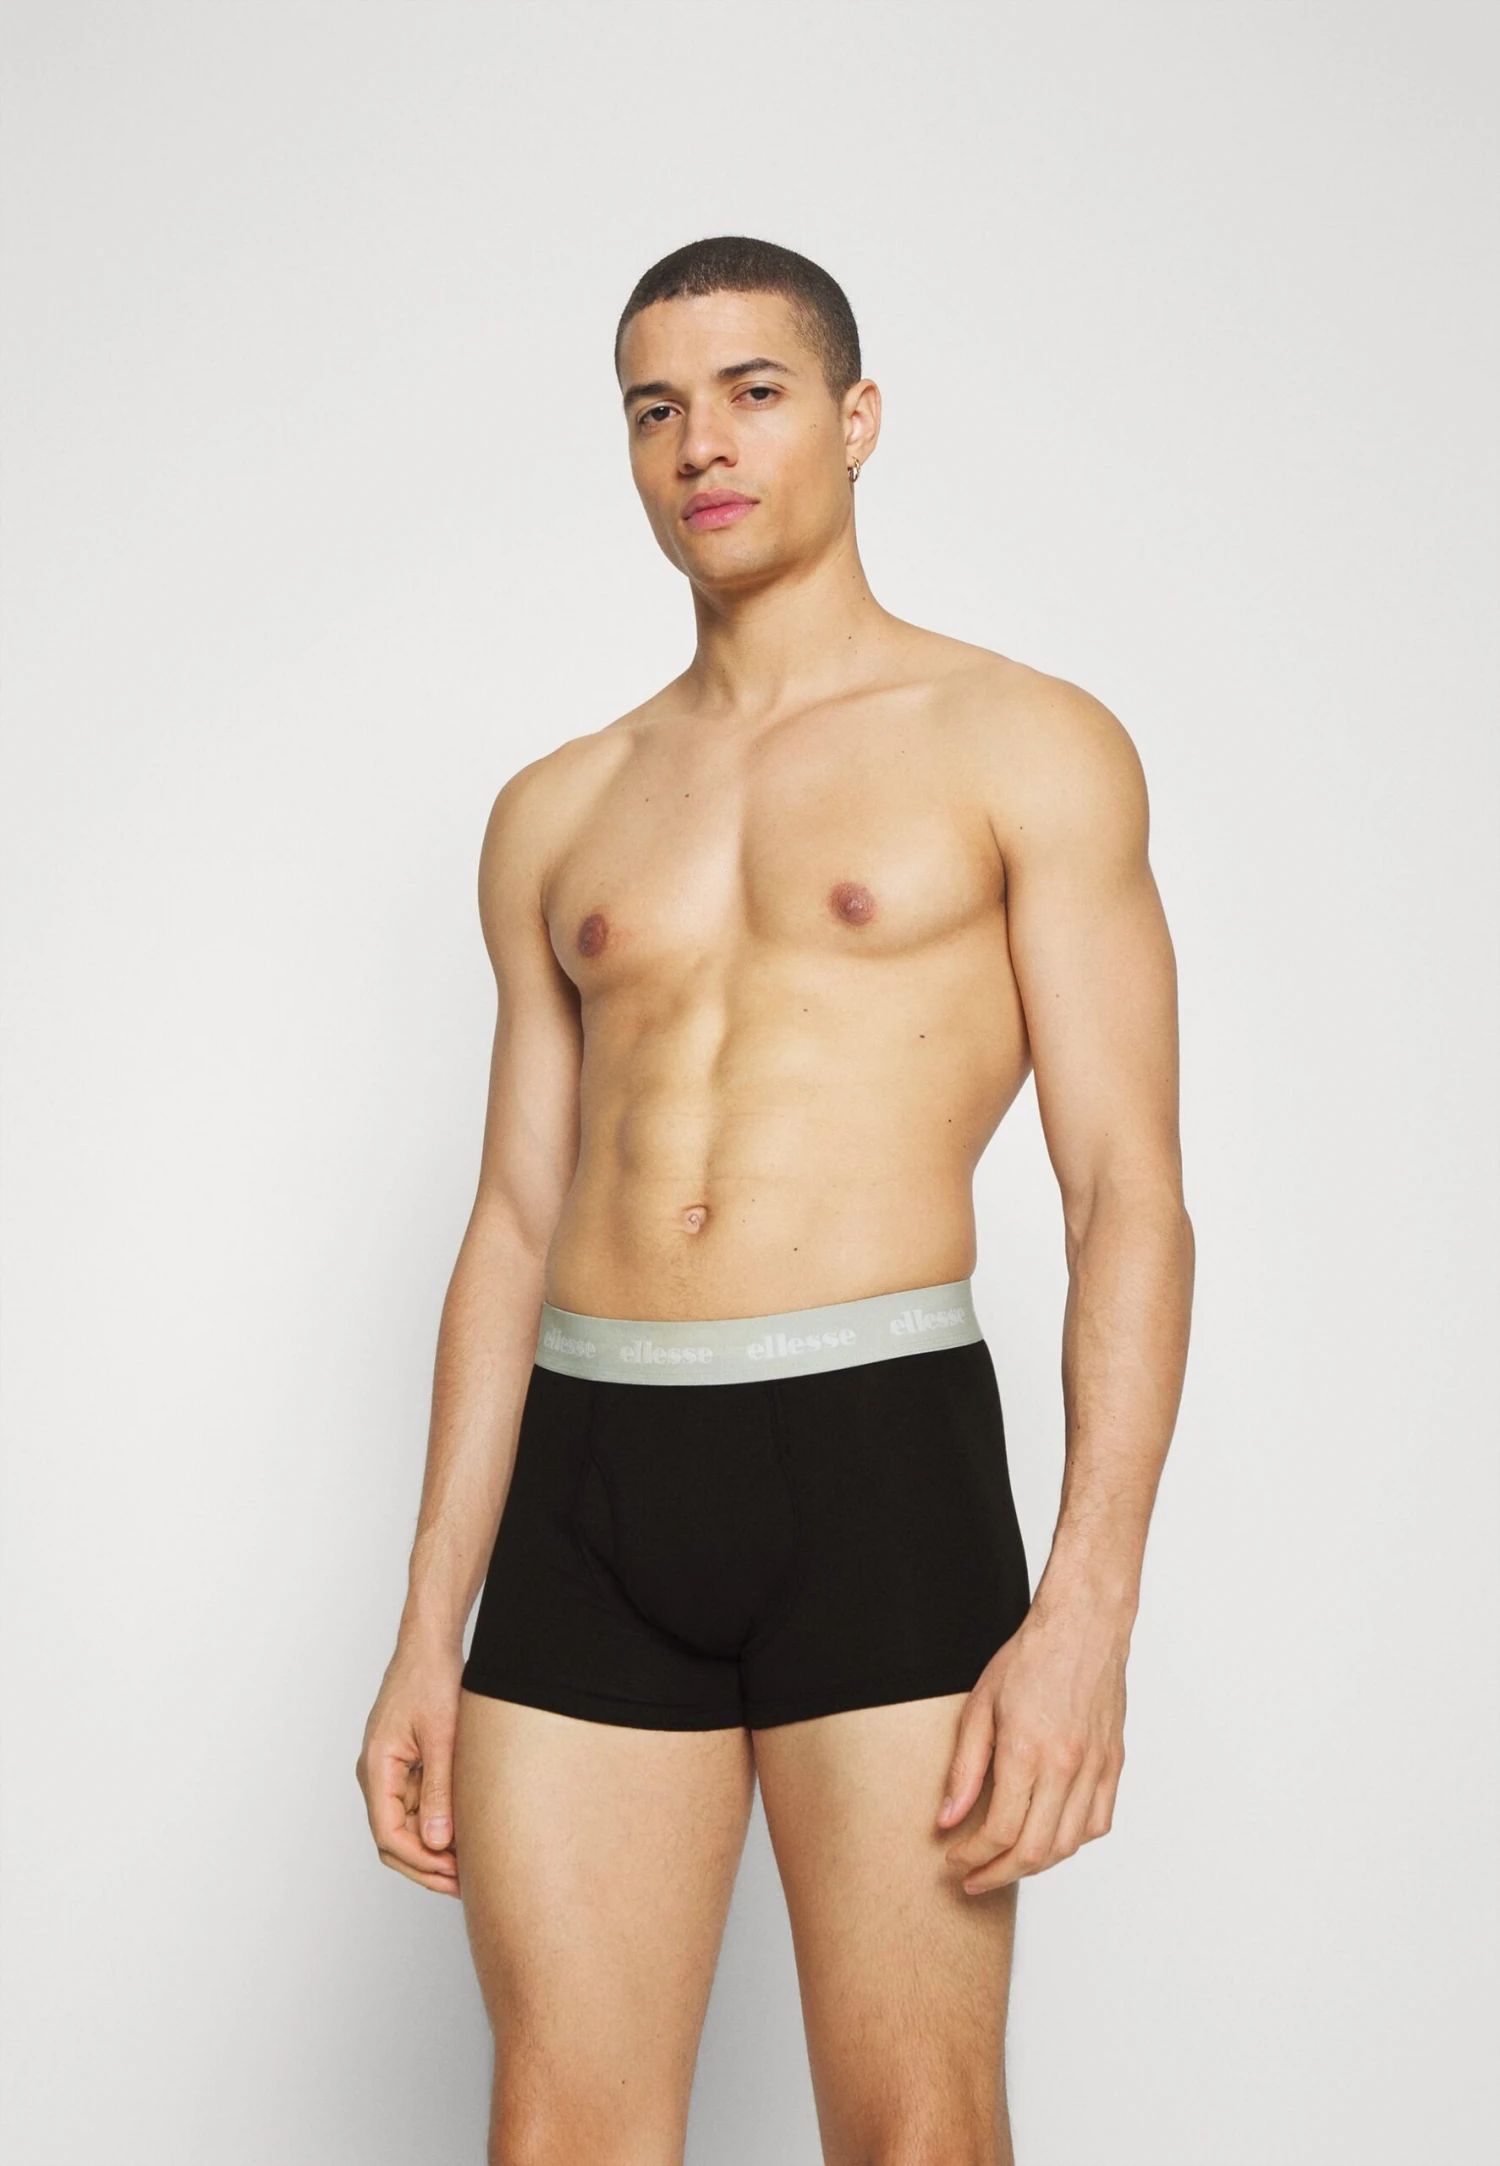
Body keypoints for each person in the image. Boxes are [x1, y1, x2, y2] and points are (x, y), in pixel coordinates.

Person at [356, 234, 1194, 2165]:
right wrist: (426, 1620)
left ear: (856, 416)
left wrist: (1088, 1608)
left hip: (876, 1464)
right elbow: (512, 1221)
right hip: (593, 1481)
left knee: (917, 2128)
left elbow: (1127, 1191)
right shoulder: (560, 807)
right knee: (559, 2131)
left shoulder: (1021, 742)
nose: (701, 445)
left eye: (752, 392)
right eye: (656, 408)